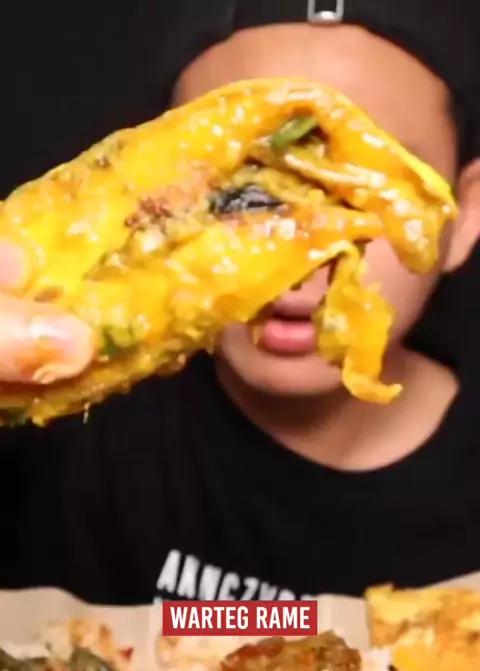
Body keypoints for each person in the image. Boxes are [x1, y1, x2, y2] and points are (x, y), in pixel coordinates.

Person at [0, 0, 479, 605]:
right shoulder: (51, 413)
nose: (302, 262)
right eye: (242, 193)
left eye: (366, 193)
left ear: (465, 214)